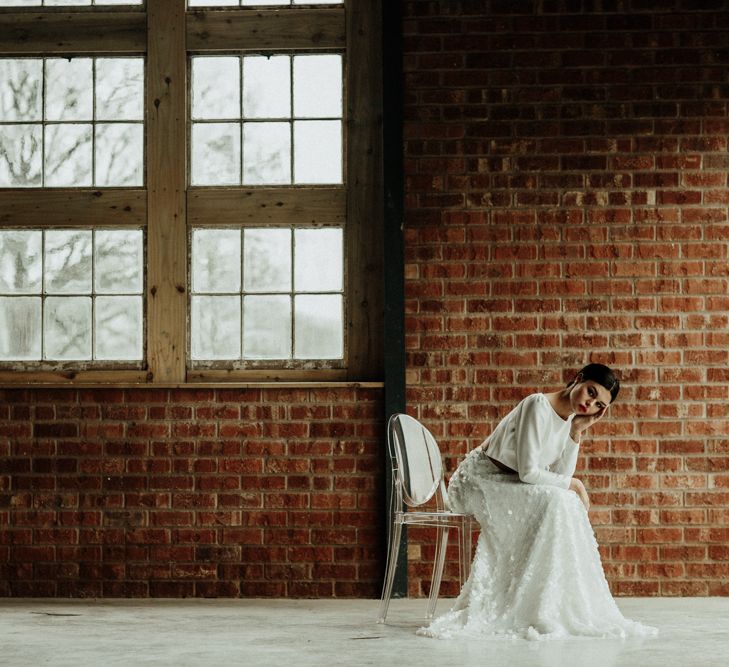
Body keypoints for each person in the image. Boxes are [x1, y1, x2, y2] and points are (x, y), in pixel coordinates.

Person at [418, 363, 658, 640]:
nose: (589, 403)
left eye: (597, 404)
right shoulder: (537, 405)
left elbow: (559, 476)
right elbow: (530, 472)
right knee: (561, 499)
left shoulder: (570, 420)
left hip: (511, 482)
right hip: (480, 480)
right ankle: (524, 600)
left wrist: (577, 431)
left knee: (562, 501)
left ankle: (552, 601)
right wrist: (575, 485)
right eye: (590, 392)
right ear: (578, 379)